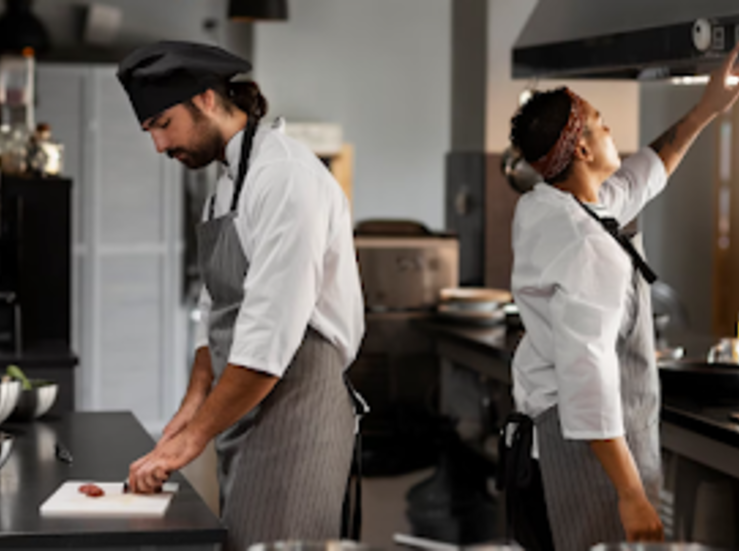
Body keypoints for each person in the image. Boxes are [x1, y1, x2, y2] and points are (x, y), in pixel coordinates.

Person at [116, 41, 366, 551]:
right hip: (248, 405)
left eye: (163, 123)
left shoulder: (286, 179)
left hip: (297, 403)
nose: (159, 147)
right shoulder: (227, 187)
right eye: (151, 131)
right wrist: (193, 402)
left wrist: (191, 440)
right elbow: (217, 309)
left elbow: (268, 339)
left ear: (206, 99)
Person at [500, 45, 739, 551]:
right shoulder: (588, 246)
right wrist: (630, 493)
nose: (611, 132)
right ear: (582, 151)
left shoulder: (552, 204)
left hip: (556, 439)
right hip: (586, 455)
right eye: (601, 123)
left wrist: (706, 108)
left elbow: (644, 175)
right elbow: (588, 376)